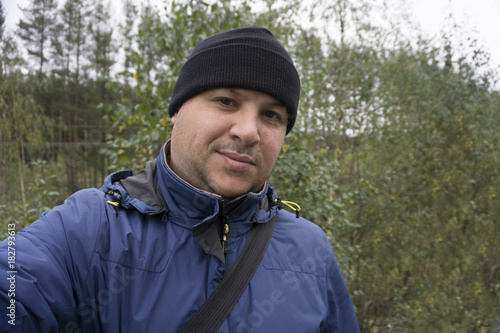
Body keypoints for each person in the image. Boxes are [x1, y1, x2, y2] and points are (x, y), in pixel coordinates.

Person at [0, 26, 360, 332]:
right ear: (177, 110)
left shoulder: (311, 249)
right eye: (226, 101)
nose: (249, 131)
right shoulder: (88, 229)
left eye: (271, 115)